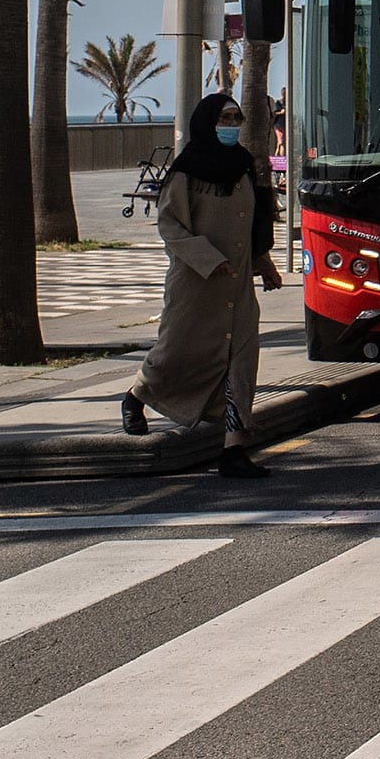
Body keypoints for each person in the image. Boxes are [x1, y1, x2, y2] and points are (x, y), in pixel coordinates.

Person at [121, 94, 283, 478]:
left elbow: (253, 224)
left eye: (236, 117)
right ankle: (136, 396)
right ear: (207, 121)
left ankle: (234, 450)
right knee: (177, 353)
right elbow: (170, 226)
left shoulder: (244, 166)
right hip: (196, 284)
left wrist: (264, 264)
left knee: (239, 364)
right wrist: (208, 258)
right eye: (225, 117)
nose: (232, 124)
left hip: (237, 287)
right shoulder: (186, 170)